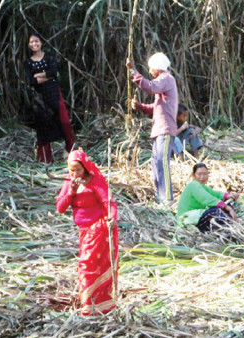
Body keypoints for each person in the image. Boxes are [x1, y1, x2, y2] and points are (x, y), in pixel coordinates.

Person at [55, 149, 119, 315]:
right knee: (86, 265)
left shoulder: (95, 180)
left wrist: (112, 217)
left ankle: (91, 305)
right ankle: (90, 302)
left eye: (78, 169)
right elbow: (60, 207)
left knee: (87, 265)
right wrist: (72, 191)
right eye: (71, 169)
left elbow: (109, 202)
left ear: (85, 167)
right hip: (83, 231)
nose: (75, 173)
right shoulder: (70, 182)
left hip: (98, 228)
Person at [126, 53, 178, 203]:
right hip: (159, 129)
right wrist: (140, 106)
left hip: (165, 129)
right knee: (156, 163)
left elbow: (150, 87)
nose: (150, 71)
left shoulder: (166, 78)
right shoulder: (164, 81)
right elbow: (155, 107)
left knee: (162, 162)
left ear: (158, 67)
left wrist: (132, 71)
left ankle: (167, 198)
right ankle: (160, 195)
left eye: (151, 68)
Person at [24, 34, 76, 162]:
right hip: (39, 97)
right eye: (31, 42)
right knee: (42, 125)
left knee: (64, 121)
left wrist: (40, 75)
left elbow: (54, 72)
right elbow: (31, 81)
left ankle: (73, 152)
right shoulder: (28, 62)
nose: (34, 44)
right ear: (28, 45)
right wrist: (48, 77)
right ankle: (45, 159)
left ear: (41, 42)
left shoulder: (49, 56)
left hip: (54, 93)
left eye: (36, 41)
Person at [176, 163, 239, 232]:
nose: (202, 177)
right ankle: (229, 223)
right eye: (199, 174)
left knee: (223, 202)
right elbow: (207, 199)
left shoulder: (202, 186)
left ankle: (230, 221)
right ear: (193, 175)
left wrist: (229, 195)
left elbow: (215, 194)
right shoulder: (193, 185)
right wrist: (228, 208)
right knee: (215, 211)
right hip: (187, 221)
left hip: (195, 218)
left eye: (205, 174)